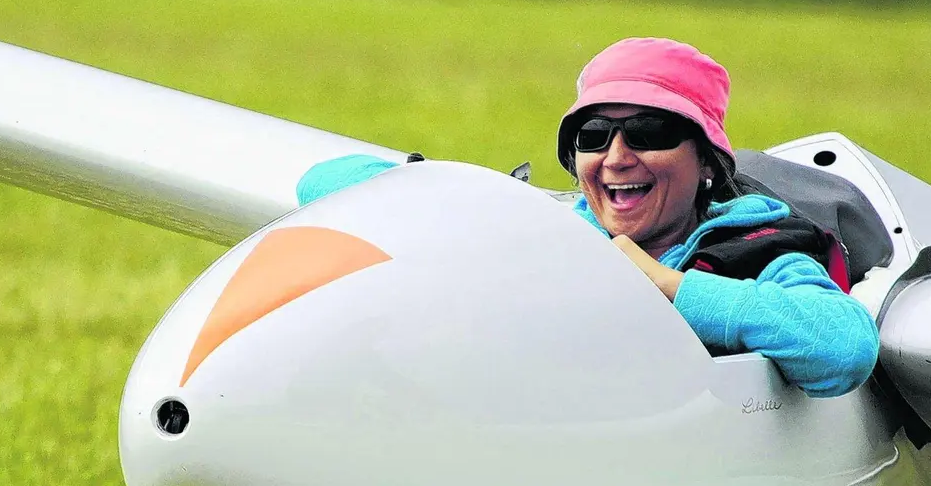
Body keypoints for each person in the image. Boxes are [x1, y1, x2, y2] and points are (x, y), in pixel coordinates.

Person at [295, 37, 879, 398]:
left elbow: (843, 348)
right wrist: (464, 196)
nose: (617, 157)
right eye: (594, 135)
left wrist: (671, 288)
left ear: (706, 161)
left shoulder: (758, 247)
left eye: (649, 133)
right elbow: (319, 184)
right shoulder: (553, 226)